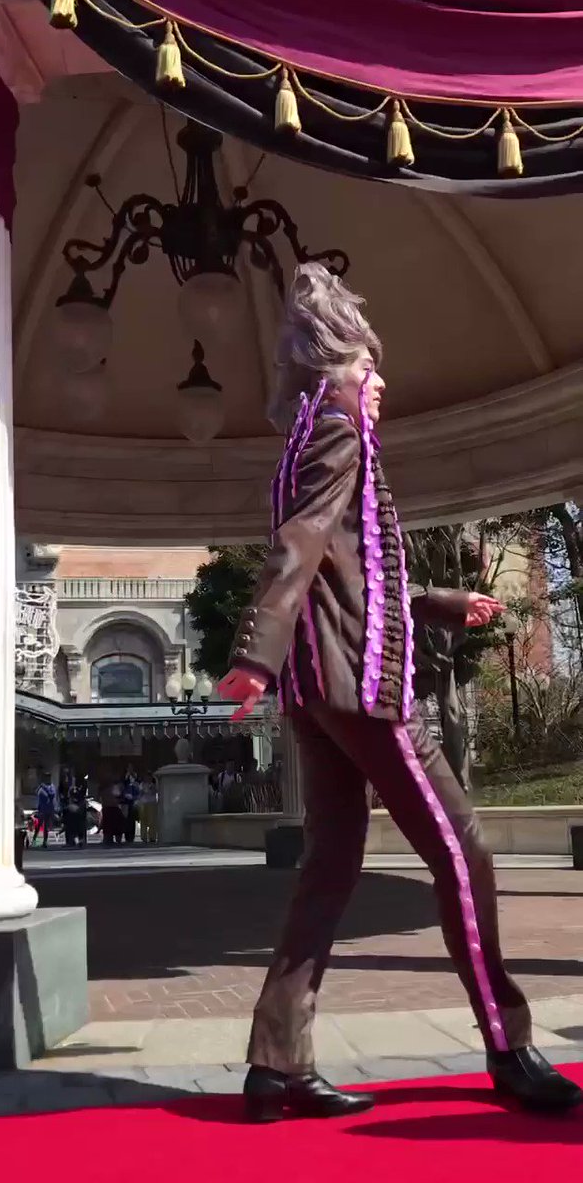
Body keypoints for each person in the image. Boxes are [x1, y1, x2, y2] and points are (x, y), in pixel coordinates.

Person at [218, 263, 582, 1122]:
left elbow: (346, 576)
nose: (379, 381)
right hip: (361, 689)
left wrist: (440, 602)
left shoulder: (304, 438)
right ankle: (508, 1047)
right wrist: (253, 653)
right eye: (367, 364)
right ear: (335, 368)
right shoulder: (337, 429)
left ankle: (276, 1065)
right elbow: (299, 545)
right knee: (463, 852)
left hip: (317, 691)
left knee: (328, 868)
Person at [35, 774, 57, 849]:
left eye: (48, 778)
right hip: (42, 809)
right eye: (46, 778)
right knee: (38, 825)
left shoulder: (51, 787)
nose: (47, 779)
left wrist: (44, 787)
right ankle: (34, 840)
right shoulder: (41, 787)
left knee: (46, 827)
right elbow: (37, 794)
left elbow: (52, 794)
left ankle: (44, 842)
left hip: (48, 809)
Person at [122, 767, 141, 844]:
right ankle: (127, 835)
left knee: (132, 820)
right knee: (126, 820)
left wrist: (134, 797)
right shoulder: (125, 782)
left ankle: (131, 836)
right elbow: (123, 790)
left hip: (133, 803)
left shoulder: (136, 784)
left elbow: (139, 793)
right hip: (126, 803)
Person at [139, 773, 158, 845]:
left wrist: (151, 788)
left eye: (149, 777)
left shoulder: (153, 785)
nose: (147, 779)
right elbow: (140, 793)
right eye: (146, 777)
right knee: (143, 820)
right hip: (143, 803)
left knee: (152, 821)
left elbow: (156, 791)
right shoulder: (141, 785)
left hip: (152, 803)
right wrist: (143, 791)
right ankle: (144, 836)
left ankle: (152, 837)